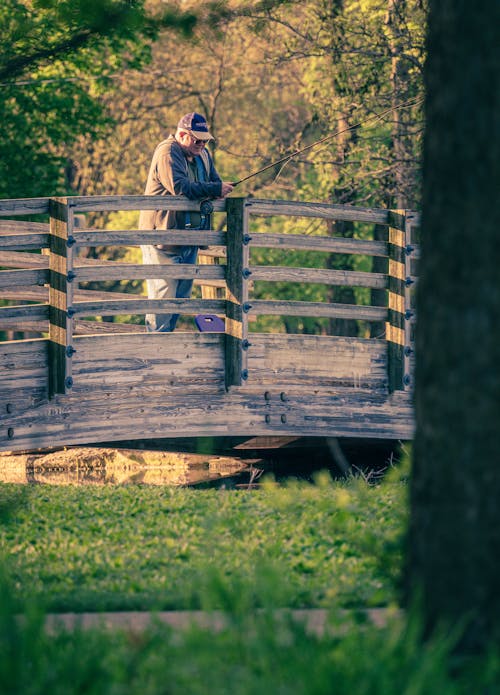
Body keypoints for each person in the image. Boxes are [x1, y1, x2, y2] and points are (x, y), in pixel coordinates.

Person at [139, 112, 234, 332]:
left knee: (181, 298)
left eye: (204, 140)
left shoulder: (204, 155)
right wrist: (214, 190)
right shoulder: (167, 151)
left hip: (190, 238)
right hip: (161, 238)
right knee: (162, 298)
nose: (201, 144)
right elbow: (180, 187)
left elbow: (215, 182)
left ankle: (165, 344)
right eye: (196, 139)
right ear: (182, 134)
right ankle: (155, 349)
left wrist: (217, 189)